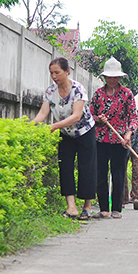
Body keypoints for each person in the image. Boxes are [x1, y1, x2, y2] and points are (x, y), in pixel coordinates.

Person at [32, 57, 97, 220]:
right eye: (51, 73)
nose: (54, 76)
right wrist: (29, 125)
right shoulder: (50, 91)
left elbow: (76, 116)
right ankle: (72, 207)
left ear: (67, 72)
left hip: (84, 132)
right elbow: (42, 113)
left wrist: (54, 126)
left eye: (57, 72)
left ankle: (87, 207)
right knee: (65, 167)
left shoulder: (78, 89)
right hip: (66, 133)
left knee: (86, 167)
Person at [90, 58, 138, 219]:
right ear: (104, 77)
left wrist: (128, 134)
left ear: (119, 77)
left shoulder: (127, 94)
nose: (112, 80)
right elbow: (89, 114)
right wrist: (98, 119)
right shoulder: (98, 94)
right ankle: (104, 209)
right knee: (100, 174)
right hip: (101, 140)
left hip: (120, 141)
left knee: (118, 174)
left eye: (115, 77)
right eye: (109, 77)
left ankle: (117, 208)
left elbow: (133, 118)